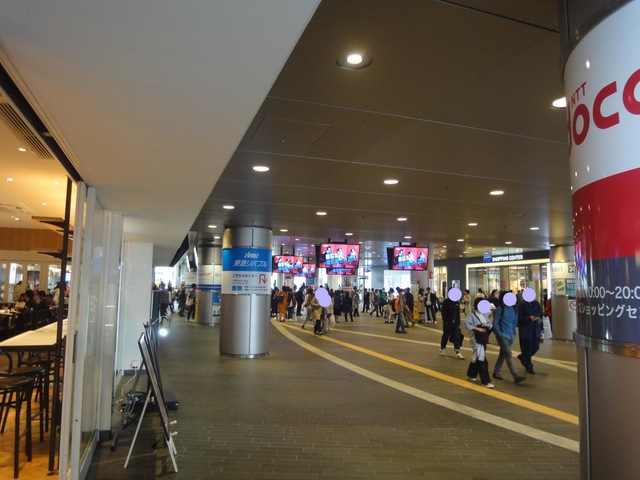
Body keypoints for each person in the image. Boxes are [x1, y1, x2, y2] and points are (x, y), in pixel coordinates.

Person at [492, 292, 526, 383]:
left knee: (503, 354)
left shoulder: (514, 309)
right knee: (508, 354)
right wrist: (499, 334)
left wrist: (514, 332)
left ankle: (496, 371)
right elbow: (495, 323)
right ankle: (516, 375)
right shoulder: (500, 309)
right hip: (502, 335)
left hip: (511, 335)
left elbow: (515, 322)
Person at [464, 297, 494, 388]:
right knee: (482, 358)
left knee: (477, 356)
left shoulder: (484, 314)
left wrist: (487, 325)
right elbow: (466, 324)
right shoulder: (471, 314)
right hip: (476, 338)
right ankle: (485, 381)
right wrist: (476, 328)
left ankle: (471, 374)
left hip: (483, 338)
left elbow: (490, 324)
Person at [517, 293, 544, 374]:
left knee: (536, 347)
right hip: (526, 331)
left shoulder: (536, 304)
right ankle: (529, 366)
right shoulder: (521, 306)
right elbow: (518, 319)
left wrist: (541, 328)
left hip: (536, 330)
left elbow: (540, 316)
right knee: (527, 349)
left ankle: (523, 357)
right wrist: (528, 318)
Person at [439, 290, 465, 359]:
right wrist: (445, 321)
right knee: (446, 336)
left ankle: (457, 352)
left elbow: (458, 313)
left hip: (455, 323)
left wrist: (458, 322)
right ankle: (442, 348)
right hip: (448, 323)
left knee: (457, 336)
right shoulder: (446, 302)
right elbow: (443, 312)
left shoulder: (456, 302)